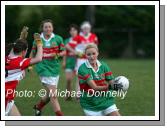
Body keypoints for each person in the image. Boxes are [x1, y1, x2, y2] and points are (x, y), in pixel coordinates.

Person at [31, 19, 66, 116]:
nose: (47, 29)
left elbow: (64, 51)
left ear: (52, 28)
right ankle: (61, 118)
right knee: (54, 95)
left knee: (50, 93)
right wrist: (29, 66)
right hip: (43, 69)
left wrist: (56, 55)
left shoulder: (58, 38)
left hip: (54, 69)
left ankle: (38, 107)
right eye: (45, 27)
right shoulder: (38, 40)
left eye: (49, 27)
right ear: (42, 28)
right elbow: (32, 53)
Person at [78, 43, 121, 116]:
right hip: (90, 104)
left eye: (94, 53)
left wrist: (118, 85)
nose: (91, 57)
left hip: (106, 100)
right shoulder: (83, 69)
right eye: (89, 54)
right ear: (85, 55)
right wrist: (110, 87)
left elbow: (111, 81)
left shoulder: (104, 65)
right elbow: (94, 87)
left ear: (98, 53)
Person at [5, 33, 43, 116]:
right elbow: (39, 58)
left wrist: (21, 38)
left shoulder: (7, 57)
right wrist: (39, 43)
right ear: (24, 51)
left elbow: (14, 49)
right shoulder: (21, 63)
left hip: (9, 100)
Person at [75, 21, 99, 100]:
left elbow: (96, 47)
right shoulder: (78, 37)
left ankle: (92, 93)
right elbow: (72, 48)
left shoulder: (93, 36)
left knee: (93, 76)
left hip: (91, 60)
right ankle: (78, 94)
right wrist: (78, 53)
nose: (86, 30)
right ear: (82, 29)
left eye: (88, 28)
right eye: (85, 28)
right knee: (80, 77)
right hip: (81, 60)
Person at [62, 24, 82, 100]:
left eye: (74, 30)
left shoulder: (80, 40)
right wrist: (64, 61)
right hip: (69, 62)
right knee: (68, 80)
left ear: (77, 31)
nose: (73, 32)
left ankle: (78, 95)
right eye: (71, 30)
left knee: (79, 79)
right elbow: (64, 52)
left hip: (78, 62)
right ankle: (68, 94)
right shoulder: (67, 41)